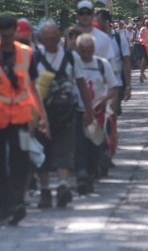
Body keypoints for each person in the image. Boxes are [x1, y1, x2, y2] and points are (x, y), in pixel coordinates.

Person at [0, 13, 49, 226]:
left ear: (16, 32)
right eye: (4, 35)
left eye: (11, 35)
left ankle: (17, 203)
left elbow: (34, 88)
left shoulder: (27, 54)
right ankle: (2, 208)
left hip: (20, 117)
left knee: (20, 161)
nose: (8, 39)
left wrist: (42, 116)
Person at [34, 21, 92, 209]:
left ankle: (62, 186)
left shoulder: (70, 56)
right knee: (42, 152)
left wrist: (88, 109)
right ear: (42, 39)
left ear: (59, 36)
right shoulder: (35, 57)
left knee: (65, 149)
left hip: (66, 111)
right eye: (46, 39)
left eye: (53, 38)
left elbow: (81, 83)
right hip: (42, 113)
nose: (50, 42)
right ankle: (44, 190)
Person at [73, 34, 120, 195]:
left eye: (88, 51)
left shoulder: (102, 65)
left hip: (97, 113)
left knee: (94, 145)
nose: (86, 55)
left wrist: (106, 100)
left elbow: (113, 87)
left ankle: (91, 175)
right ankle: (81, 176)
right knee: (78, 145)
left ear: (93, 49)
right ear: (78, 50)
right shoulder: (73, 65)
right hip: (77, 112)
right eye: (82, 51)